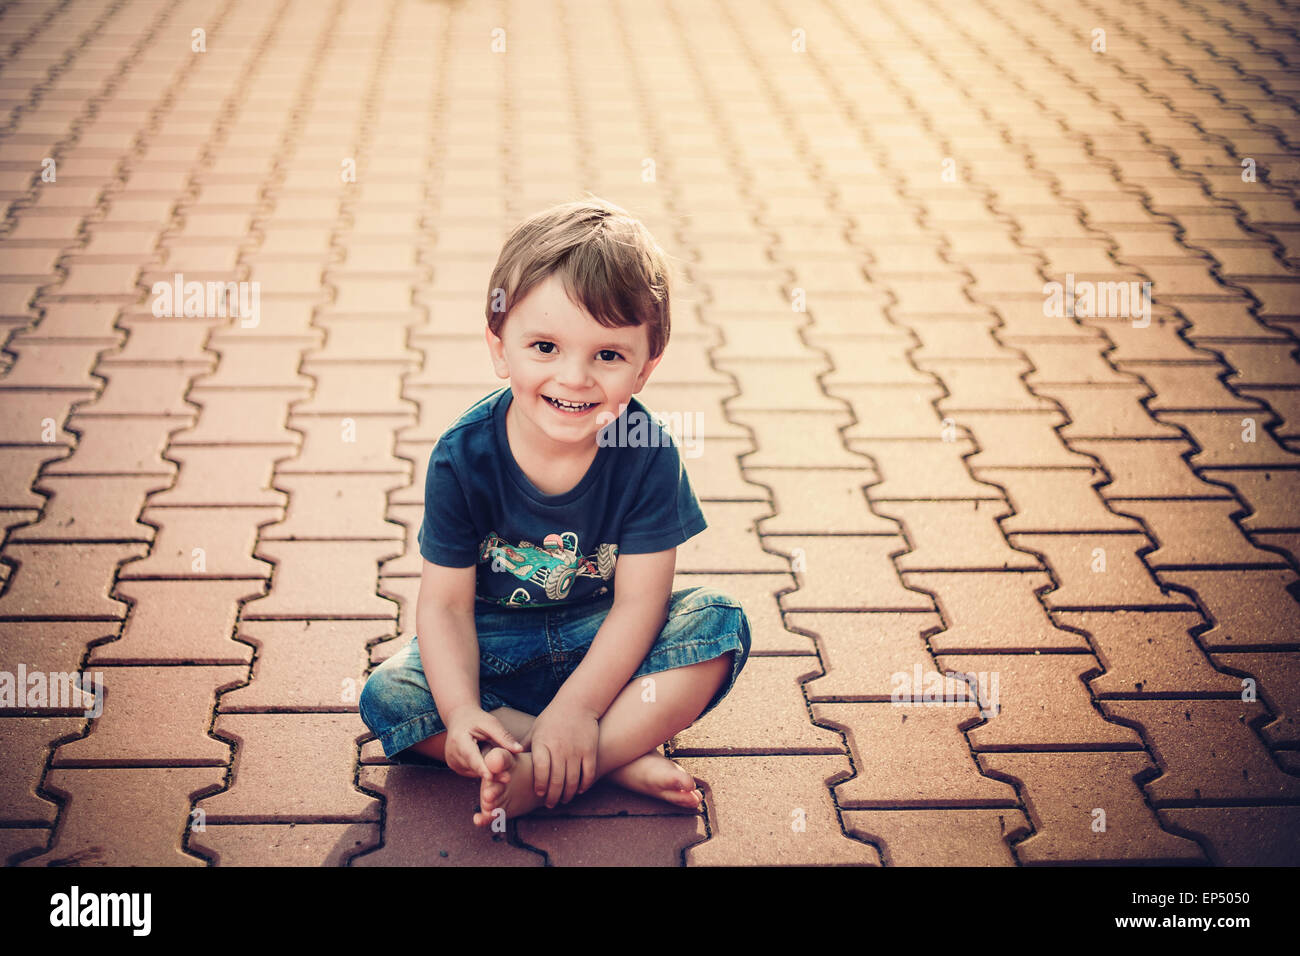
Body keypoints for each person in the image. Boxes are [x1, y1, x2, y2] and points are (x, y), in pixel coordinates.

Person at [359, 196, 751, 829]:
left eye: (608, 355)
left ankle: (545, 769)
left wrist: (578, 708)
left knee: (717, 626)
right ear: (499, 346)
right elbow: (446, 606)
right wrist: (460, 713)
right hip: (497, 653)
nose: (574, 378)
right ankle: (611, 758)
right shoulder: (464, 457)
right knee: (391, 697)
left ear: (646, 368)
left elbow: (640, 606)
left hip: (605, 645)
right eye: (545, 346)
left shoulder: (645, 452)